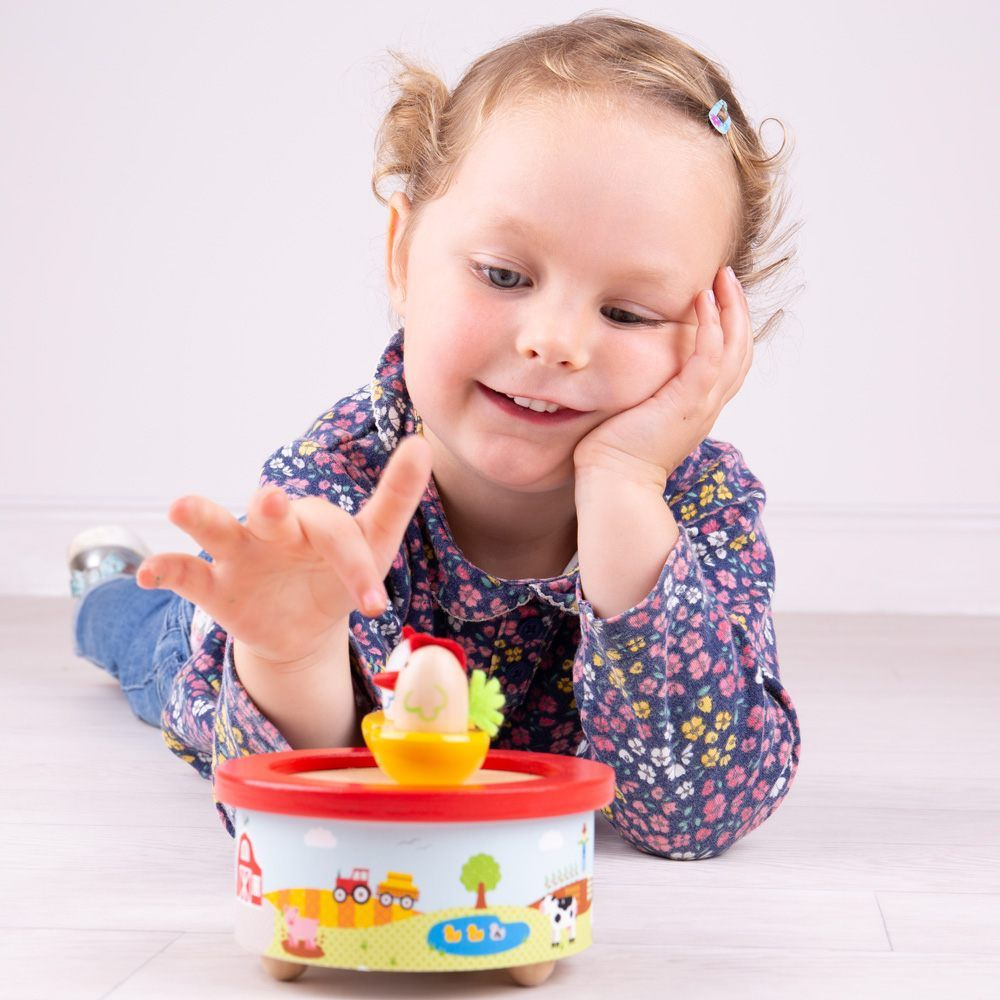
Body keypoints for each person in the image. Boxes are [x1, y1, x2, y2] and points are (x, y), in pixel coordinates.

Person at [69, 12, 803, 859]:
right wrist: (292, 658)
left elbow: (696, 817)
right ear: (403, 252)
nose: (554, 341)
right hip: (242, 637)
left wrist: (624, 483)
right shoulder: (337, 485)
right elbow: (299, 819)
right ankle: (108, 585)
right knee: (145, 630)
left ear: (713, 335)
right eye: (504, 275)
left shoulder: (704, 507)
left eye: (628, 313)